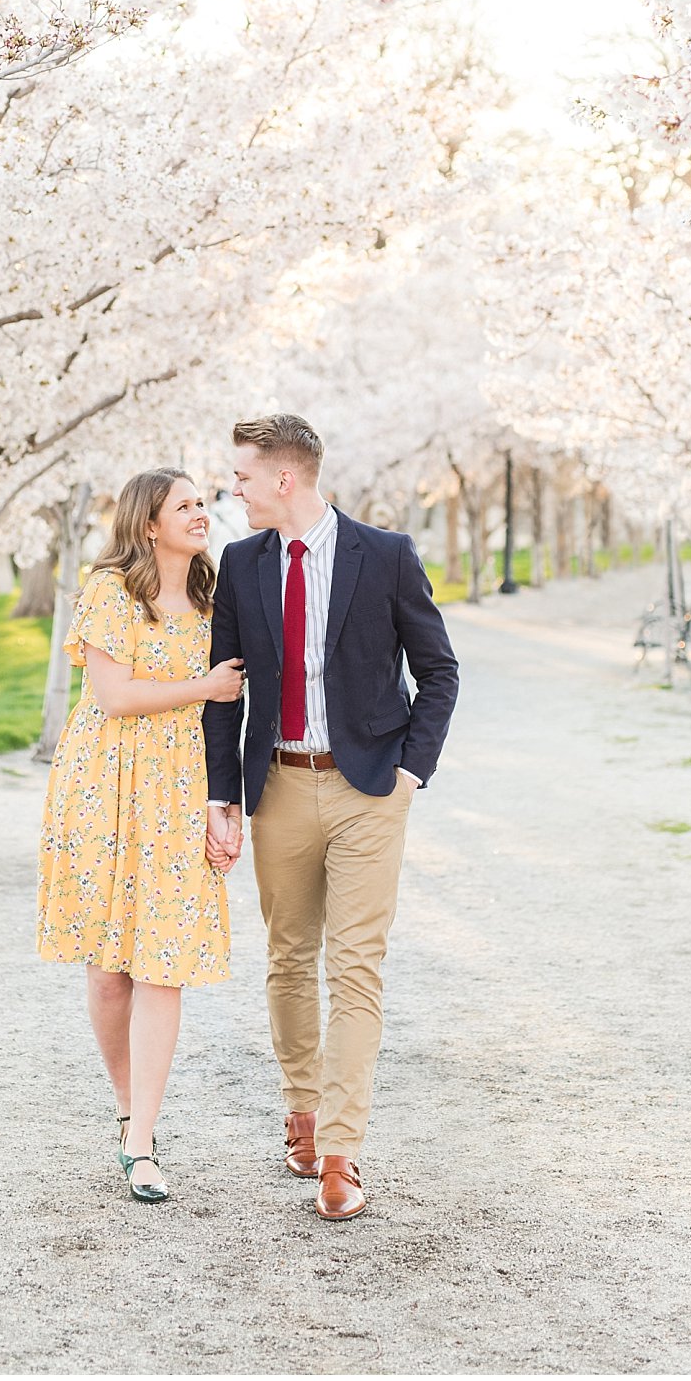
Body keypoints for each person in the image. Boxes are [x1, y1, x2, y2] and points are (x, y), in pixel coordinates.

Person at [204, 414, 459, 1221]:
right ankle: (303, 1111)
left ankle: (342, 1151)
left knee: (355, 966)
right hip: (277, 784)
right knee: (287, 958)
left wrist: (411, 770)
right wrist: (225, 796)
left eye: (242, 476)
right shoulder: (241, 565)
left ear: (285, 479)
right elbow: (224, 690)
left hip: (368, 790)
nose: (232, 490)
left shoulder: (384, 557)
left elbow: (438, 670)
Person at [36, 467, 244, 1204]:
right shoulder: (109, 592)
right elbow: (116, 697)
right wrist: (205, 686)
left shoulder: (220, 599)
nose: (200, 513)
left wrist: (228, 804)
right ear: (148, 523)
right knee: (108, 970)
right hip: (103, 787)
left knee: (164, 961)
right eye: (183, 505)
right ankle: (128, 1106)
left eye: (201, 503)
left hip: (181, 789)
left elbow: (231, 715)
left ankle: (141, 1138)